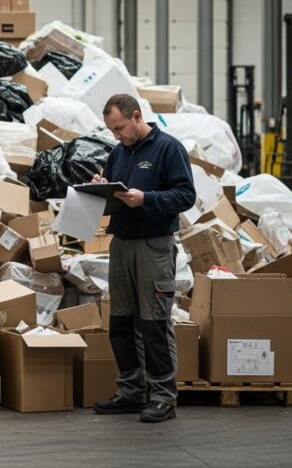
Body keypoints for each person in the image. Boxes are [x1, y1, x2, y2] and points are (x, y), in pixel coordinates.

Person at [91, 93, 195, 423]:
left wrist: (146, 199)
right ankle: (131, 391)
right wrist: (101, 188)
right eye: (111, 130)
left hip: (154, 246)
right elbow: (116, 195)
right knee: (120, 323)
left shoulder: (168, 149)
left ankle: (163, 397)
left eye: (120, 128)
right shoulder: (118, 153)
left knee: (154, 323)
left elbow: (186, 196)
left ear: (136, 116)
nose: (116, 135)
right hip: (121, 244)